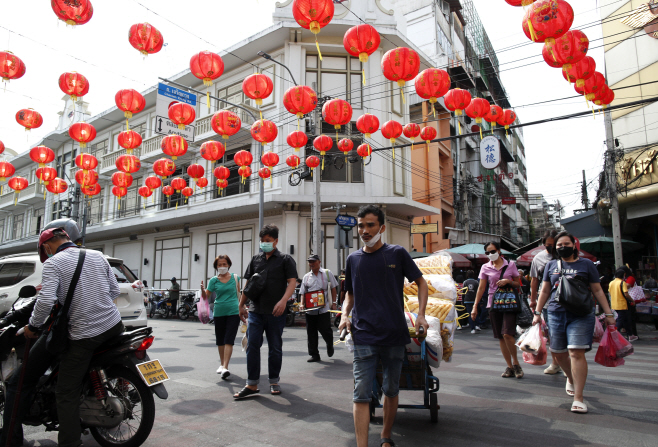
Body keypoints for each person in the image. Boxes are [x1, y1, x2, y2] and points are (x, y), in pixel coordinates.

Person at [0, 227, 124, 447]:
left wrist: (33, 326)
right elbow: (114, 290)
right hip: (114, 325)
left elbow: (46, 301)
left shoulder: (53, 263)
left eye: (44, 250)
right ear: (69, 238)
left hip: (85, 334)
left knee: (66, 391)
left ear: (47, 246)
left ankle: (69, 443)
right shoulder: (97, 255)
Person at [339, 205, 429, 447]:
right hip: (363, 334)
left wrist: (420, 315)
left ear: (382, 227)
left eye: (370, 225)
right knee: (361, 393)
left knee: (390, 388)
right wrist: (344, 315)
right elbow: (350, 294)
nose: (364, 230)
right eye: (361, 226)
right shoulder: (353, 259)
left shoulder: (396, 253)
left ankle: (386, 436)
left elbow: (421, 283)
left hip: (394, 333)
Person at [534, 231, 617, 414]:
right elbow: (545, 291)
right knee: (558, 352)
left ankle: (579, 398)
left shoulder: (586, 264)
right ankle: (570, 378)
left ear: (574, 245)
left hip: (581, 314)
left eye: (566, 244)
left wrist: (608, 313)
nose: (562, 247)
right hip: (555, 313)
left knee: (576, 353)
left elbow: (597, 290)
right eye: (559, 245)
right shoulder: (550, 266)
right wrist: (537, 313)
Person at [234, 224, 297, 399]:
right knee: (252, 346)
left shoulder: (285, 259)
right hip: (255, 310)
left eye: (267, 241)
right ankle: (251, 384)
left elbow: (292, 282)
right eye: (262, 241)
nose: (264, 244)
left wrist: (283, 301)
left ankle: (274, 380)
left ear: (276, 241)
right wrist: (241, 305)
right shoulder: (255, 259)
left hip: (276, 312)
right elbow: (248, 285)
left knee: (275, 347)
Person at [471, 241, 524, 379]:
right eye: (487, 253)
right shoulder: (485, 267)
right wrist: (475, 306)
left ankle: (517, 364)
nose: (490, 255)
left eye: (493, 251)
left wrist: (509, 282)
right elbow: (481, 288)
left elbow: (519, 284)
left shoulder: (510, 265)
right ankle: (510, 366)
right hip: (493, 304)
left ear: (499, 251)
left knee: (507, 333)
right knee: (500, 336)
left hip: (509, 302)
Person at [529, 229, 564, 376]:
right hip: (549, 303)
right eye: (547, 245)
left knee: (566, 335)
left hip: (569, 302)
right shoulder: (539, 259)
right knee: (553, 335)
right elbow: (535, 281)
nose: (550, 248)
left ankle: (567, 362)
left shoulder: (565, 256)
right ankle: (557, 363)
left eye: (553, 244)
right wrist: (533, 300)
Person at [201, 254, 241, 378]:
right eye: (220, 265)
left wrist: (243, 308)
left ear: (229, 265)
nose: (222, 266)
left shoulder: (235, 278)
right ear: (216, 267)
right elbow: (205, 298)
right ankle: (222, 364)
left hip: (234, 312)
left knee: (229, 339)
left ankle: (225, 366)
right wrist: (203, 291)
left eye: (224, 264)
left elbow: (239, 294)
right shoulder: (213, 280)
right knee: (220, 340)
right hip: (219, 312)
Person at [299, 254, 338, 362]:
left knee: (325, 330)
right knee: (311, 333)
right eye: (310, 262)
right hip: (310, 311)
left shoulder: (327, 273)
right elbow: (303, 292)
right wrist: (302, 304)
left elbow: (334, 288)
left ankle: (329, 344)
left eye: (313, 262)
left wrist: (334, 302)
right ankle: (314, 354)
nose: (311, 264)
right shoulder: (306, 277)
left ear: (319, 262)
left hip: (323, 309)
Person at [609, 269, 635, 340]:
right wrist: (632, 300)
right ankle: (614, 333)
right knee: (621, 320)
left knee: (624, 319)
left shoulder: (611, 283)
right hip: (622, 304)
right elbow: (626, 294)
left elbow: (610, 293)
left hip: (614, 304)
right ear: (623, 275)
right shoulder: (622, 283)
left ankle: (630, 334)